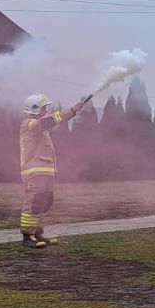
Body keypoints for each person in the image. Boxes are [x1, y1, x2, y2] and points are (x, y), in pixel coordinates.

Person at [18, 93, 90, 248]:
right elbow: (50, 121)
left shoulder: (39, 128)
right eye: (45, 108)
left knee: (43, 202)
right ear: (36, 109)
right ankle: (27, 237)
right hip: (34, 173)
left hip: (45, 172)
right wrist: (72, 110)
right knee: (33, 202)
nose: (47, 111)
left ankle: (37, 234)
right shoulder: (29, 124)